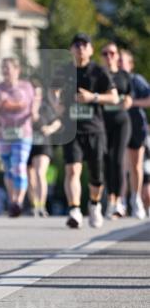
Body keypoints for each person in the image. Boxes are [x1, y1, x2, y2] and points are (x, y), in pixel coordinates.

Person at [62, 33, 117, 229]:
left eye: (84, 44)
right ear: (71, 50)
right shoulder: (64, 71)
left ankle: (94, 205)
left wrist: (92, 97)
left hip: (94, 129)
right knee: (72, 169)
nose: (80, 47)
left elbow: (114, 98)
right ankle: (74, 209)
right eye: (76, 44)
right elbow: (52, 92)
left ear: (91, 50)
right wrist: (57, 104)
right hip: (71, 129)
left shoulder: (98, 72)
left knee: (96, 176)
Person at [0, 57, 34, 218]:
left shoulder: (26, 87)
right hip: (3, 134)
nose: (5, 71)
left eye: (8, 68)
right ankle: (12, 200)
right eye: (3, 68)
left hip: (23, 133)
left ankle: (18, 202)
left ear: (17, 70)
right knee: (8, 168)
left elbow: (33, 107)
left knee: (19, 165)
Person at [99, 42, 133, 219]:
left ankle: (119, 201)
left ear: (117, 56)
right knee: (106, 160)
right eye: (105, 53)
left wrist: (127, 100)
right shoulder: (98, 75)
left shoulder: (123, 75)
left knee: (118, 159)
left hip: (121, 122)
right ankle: (110, 199)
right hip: (103, 123)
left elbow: (130, 96)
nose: (109, 56)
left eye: (112, 53)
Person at [120, 49, 150, 219]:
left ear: (130, 65)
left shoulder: (136, 80)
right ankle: (120, 201)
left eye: (122, 61)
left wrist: (133, 103)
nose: (119, 64)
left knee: (136, 165)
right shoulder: (111, 79)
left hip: (136, 126)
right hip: (117, 127)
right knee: (121, 165)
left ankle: (135, 198)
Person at [27, 80, 62, 217]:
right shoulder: (23, 108)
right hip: (28, 144)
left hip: (43, 144)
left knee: (40, 173)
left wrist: (50, 128)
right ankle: (34, 205)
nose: (36, 97)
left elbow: (58, 121)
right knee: (30, 177)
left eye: (38, 94)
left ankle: (42, 206)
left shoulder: (46, 107)